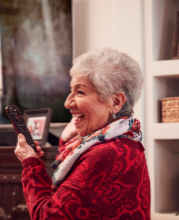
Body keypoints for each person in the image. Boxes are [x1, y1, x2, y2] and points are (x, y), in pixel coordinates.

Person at [15, 48, 150, 219]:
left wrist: (30, 163)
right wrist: (66, 140)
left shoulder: (106, 155)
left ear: (115, 101)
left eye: (80, 92)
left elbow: (47, 216)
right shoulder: (127, 139)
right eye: (71, 91)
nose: (67, 103)